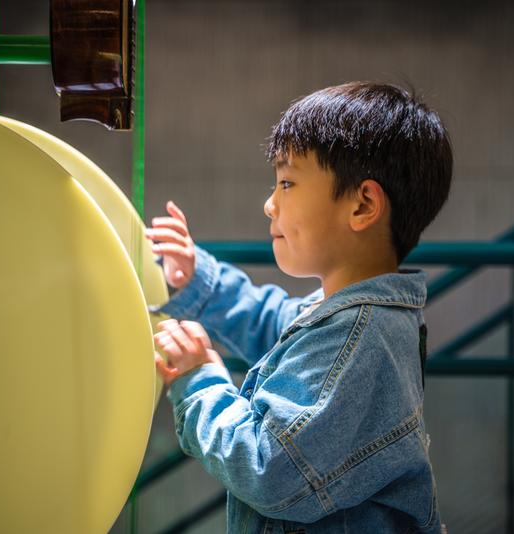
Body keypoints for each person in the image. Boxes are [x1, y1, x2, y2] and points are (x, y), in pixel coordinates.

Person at [146, 82, 452, 533]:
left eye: (287, 183)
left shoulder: (360, 336)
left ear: (363, 204)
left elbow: (270, 467)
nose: (269, 203)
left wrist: (200, 382)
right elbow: (271, 322)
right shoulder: (352, 317)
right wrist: (197, 281)